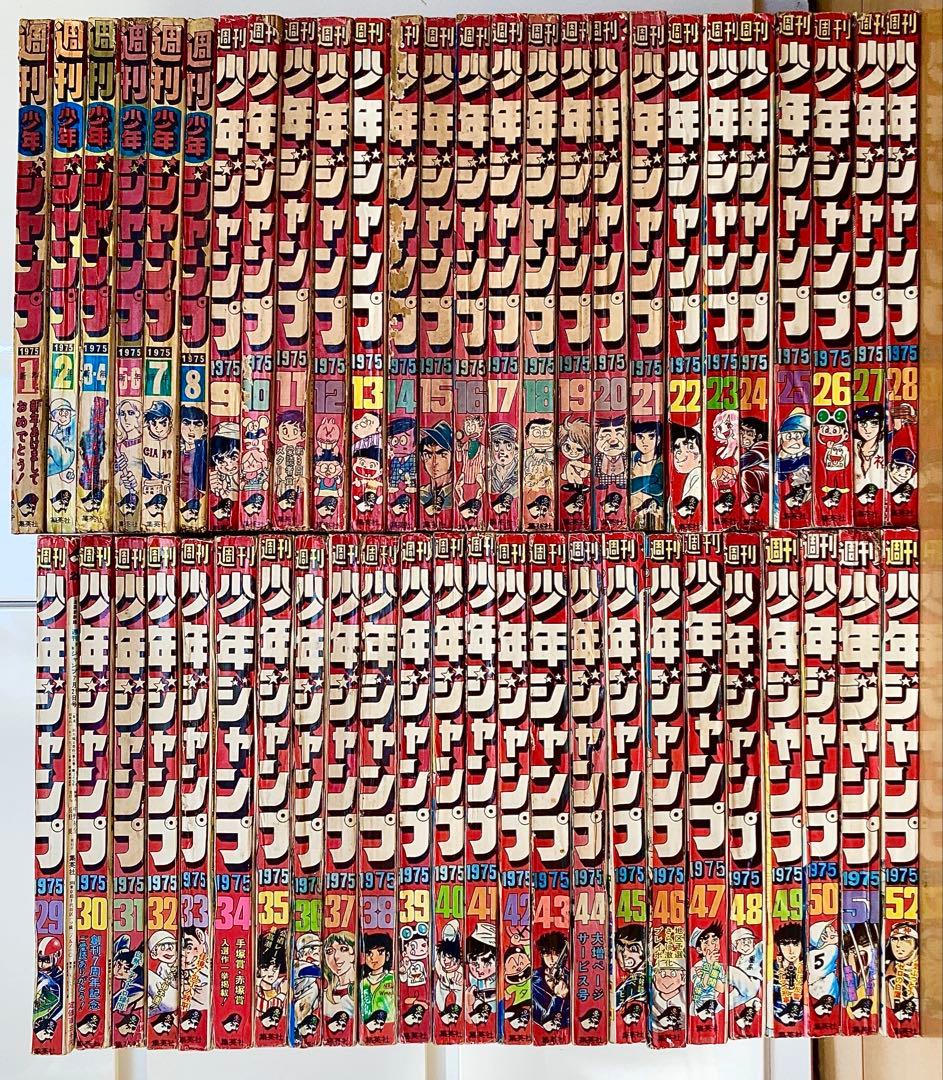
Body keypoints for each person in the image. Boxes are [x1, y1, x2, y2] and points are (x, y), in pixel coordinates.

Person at [531, 931, 568, 1032]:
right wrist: (558, 998)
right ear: (542, 955)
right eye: (547, 954)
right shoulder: (532, 979)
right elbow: (544, 1022)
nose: (551, 959)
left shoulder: (571, 979)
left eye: (556, 954)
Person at [360, 932, 395, 1032]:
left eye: (380, 952)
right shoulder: (363, 982)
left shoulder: (391, 978)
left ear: (387, 955)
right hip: (366, 1026)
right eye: (369, 953)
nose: (373, 958)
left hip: (389, 1025)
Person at [419, 421, 454, 517]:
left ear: (453, 457)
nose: (434, 462)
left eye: (442, 454)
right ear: (422, 457)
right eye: (428, 455)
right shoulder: (420, 494)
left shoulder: (457, 496)